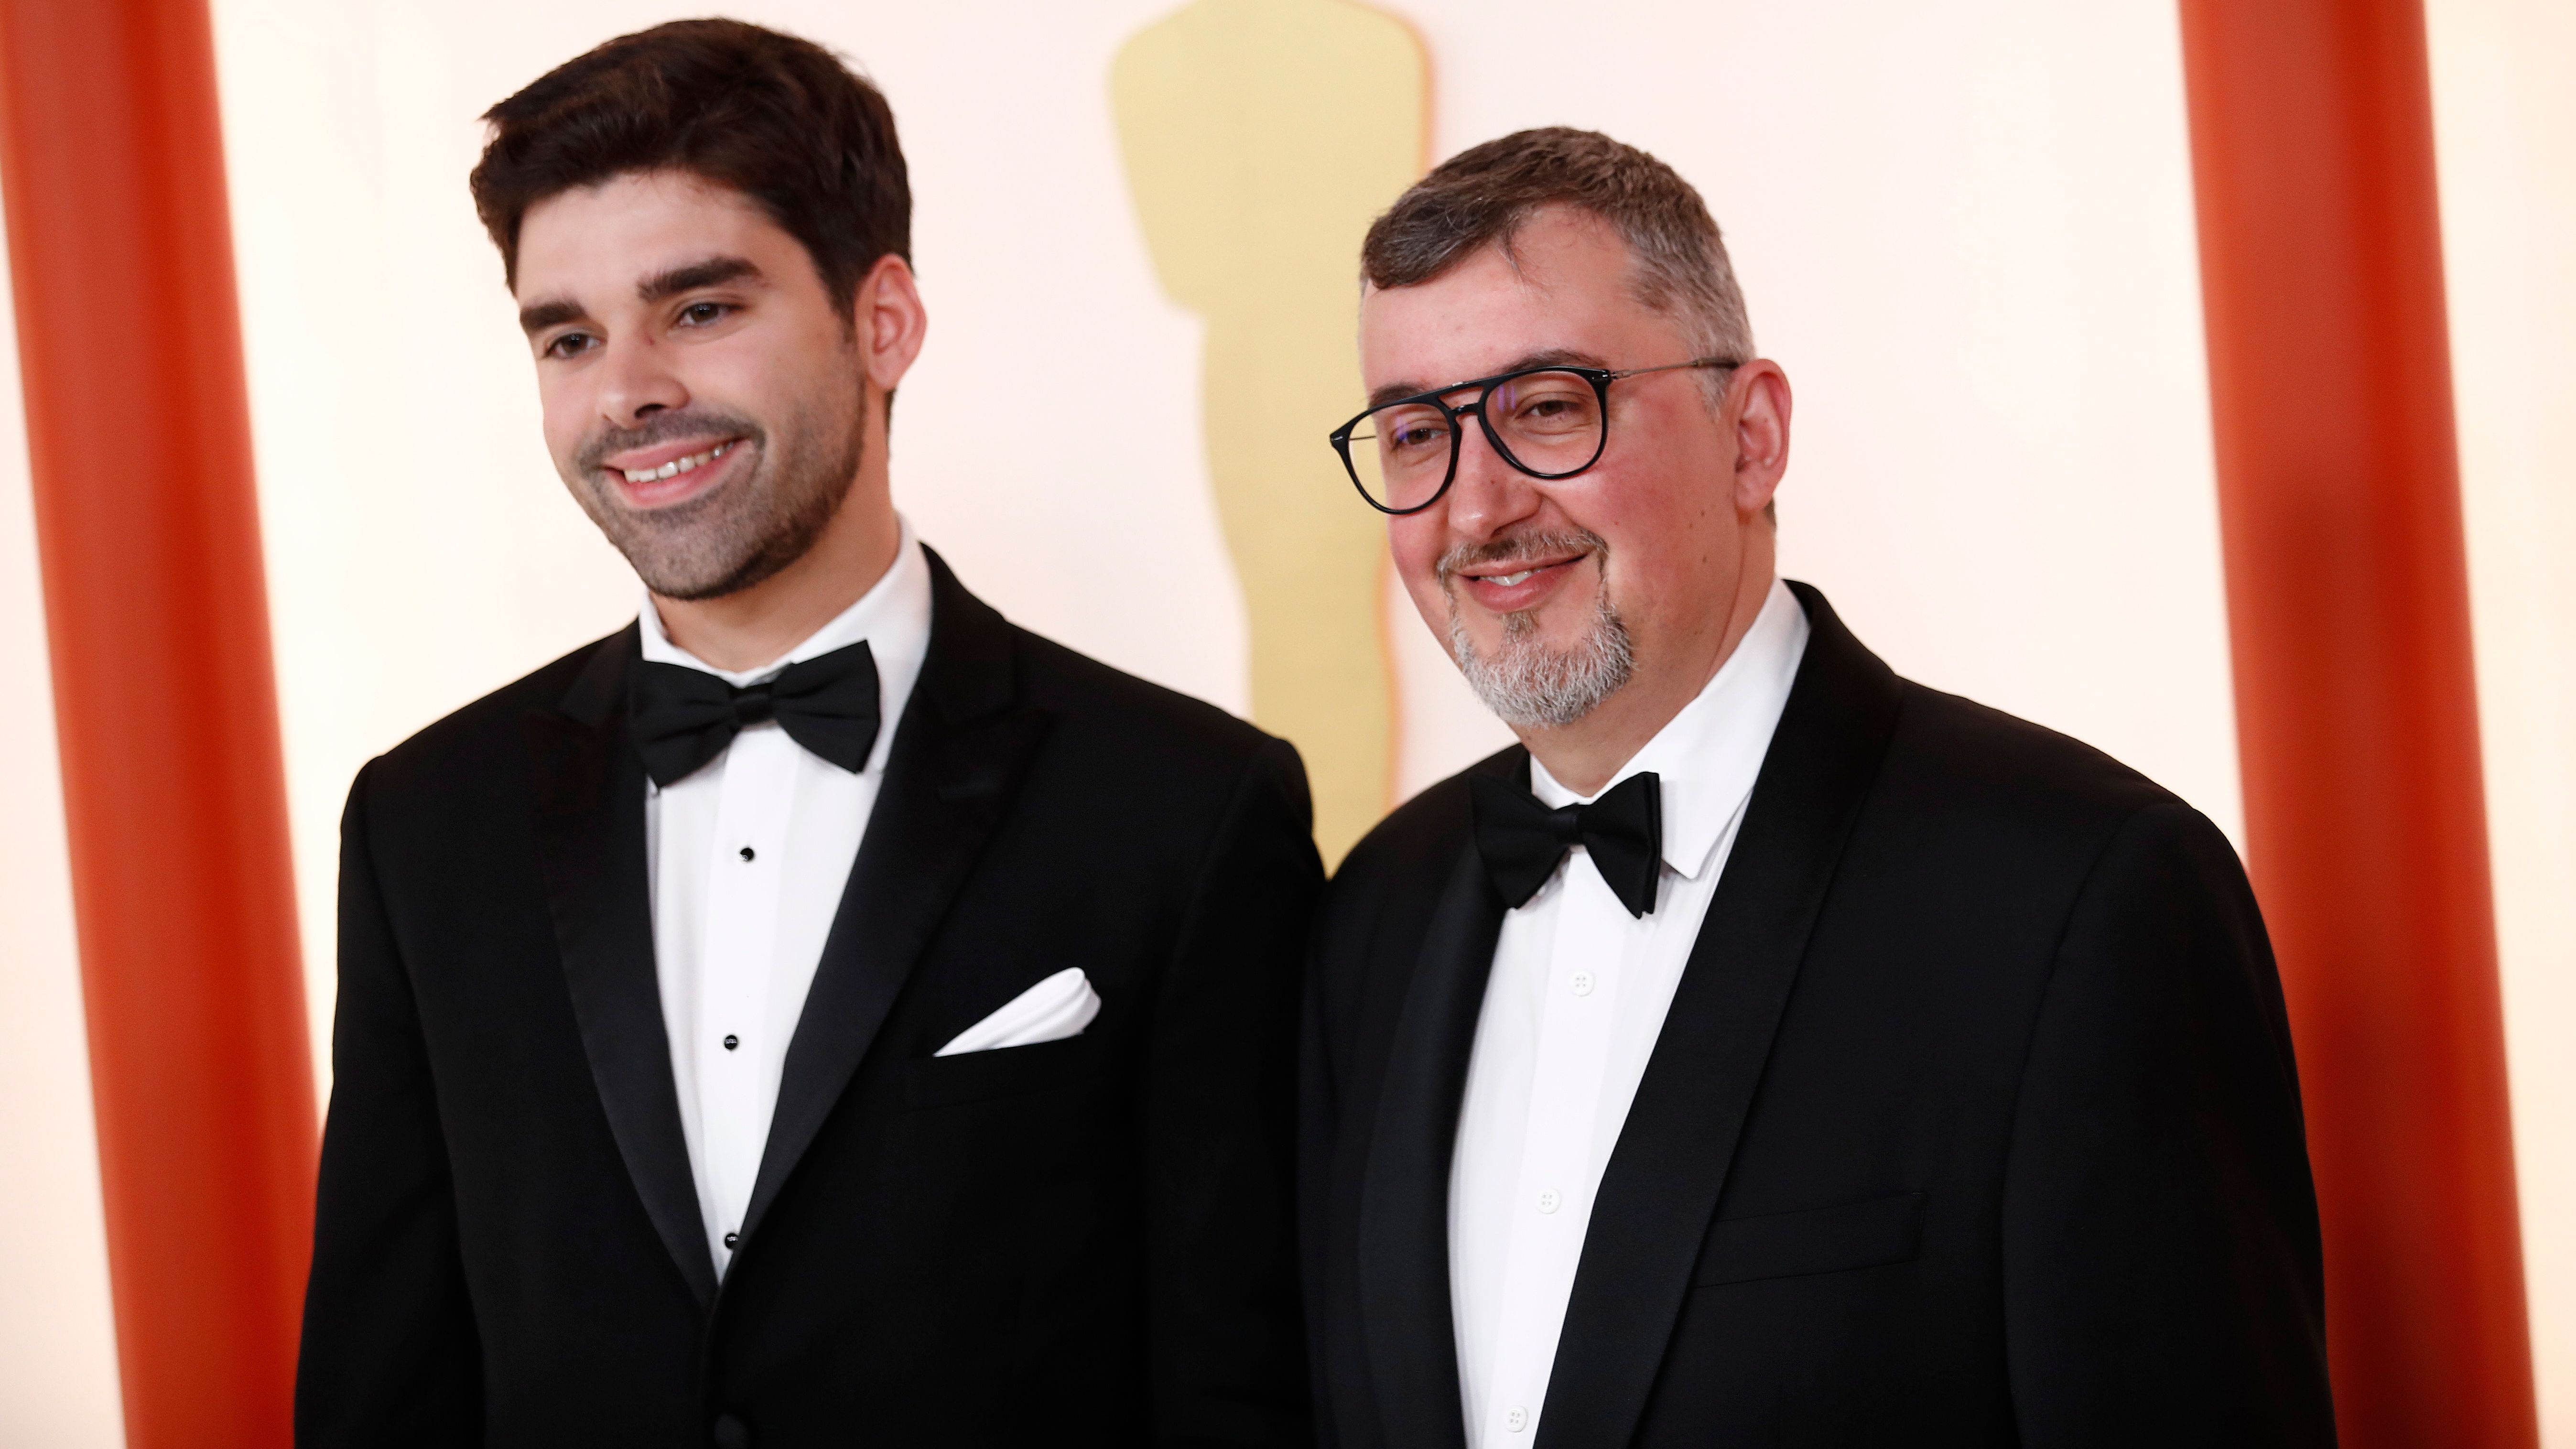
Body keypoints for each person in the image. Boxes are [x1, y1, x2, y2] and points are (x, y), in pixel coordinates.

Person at [295, 21, 1316, 1446]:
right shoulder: (423, 822)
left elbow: (1238, 1390)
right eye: (569, 336)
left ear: (882, 319)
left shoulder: (1186, 811)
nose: (627, 391)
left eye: (700, 310)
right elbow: (380, 1378)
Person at [1301, 128, 2334, 1447]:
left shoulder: (2082, 895)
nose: (1475, 508)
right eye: (1413, 435)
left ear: (1753, 437)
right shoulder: (1374, 913)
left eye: (1548, 407)